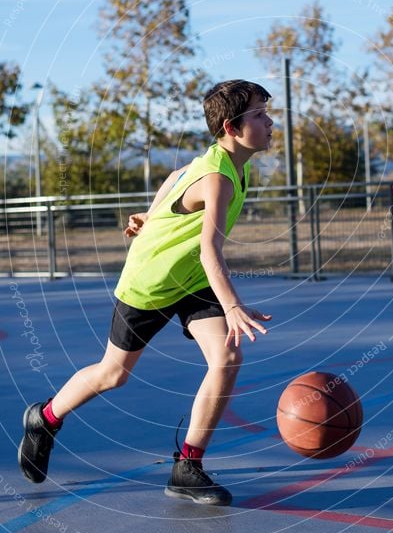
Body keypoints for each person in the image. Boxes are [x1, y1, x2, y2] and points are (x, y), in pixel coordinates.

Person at [18, 79, 274, 506]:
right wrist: (232, 304)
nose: (270, 122)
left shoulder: (228, 164)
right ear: (232, 127)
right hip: (149, 284)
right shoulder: (218, 179)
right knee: (113, 374)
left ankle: (187, 466)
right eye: (260, 115)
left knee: (227, 358)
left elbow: (177, 177)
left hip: (191, 281)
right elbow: (211, 251)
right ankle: (43, 419)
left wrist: (150, 215)